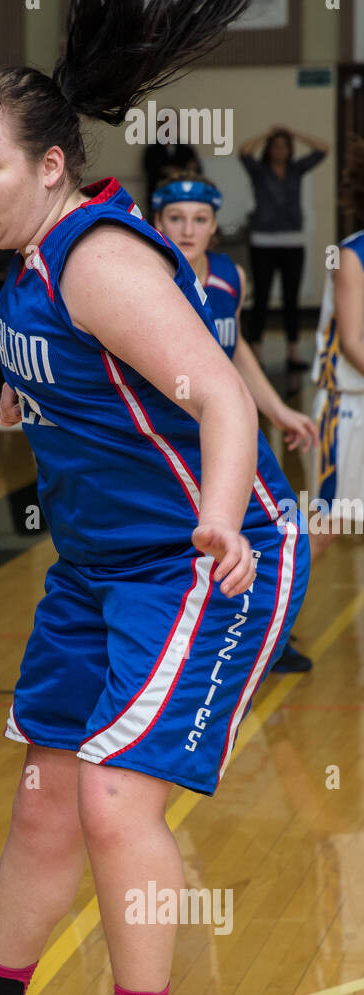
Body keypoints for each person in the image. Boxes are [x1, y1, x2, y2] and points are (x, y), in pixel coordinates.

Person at [0, 0, 310, 995]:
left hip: (210, 559)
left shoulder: (100, 262)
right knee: (42, 796)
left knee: (118, 801)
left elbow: (223, 401)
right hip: (98, 572)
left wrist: (222, 512)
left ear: (52, 166)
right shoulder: (26, 268)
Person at [151, 177, 318, 674]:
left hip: (228, 429)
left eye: (199, 220)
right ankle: (187, 648)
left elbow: (236, 346)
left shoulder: (230, 276)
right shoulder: (151, 278)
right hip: (174, 435)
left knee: (269, 529)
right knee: (189, 541)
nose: (187, 229)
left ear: (215, 227)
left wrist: (277, 410)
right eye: (176, 218)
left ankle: (267, 637)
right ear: (157, 223)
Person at [310, 136, 364, 568]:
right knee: (327, 525)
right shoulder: (352, 255)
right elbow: (353, 344)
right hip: (346, 409)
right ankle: (268, 628)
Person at [239, 125, 330, 369]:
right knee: (263, 298)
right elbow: (244, 151)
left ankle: (293, 352)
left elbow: (323, 149)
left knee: (292, 299)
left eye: (284, 146)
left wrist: (294, 133)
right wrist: (265, 134)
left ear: (290, 149)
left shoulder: (296, 169)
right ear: (269, 149)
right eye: (276, 145)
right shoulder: (259, 171)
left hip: (292, 241)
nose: (280, 150)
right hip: (263, 241)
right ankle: (256, 351)